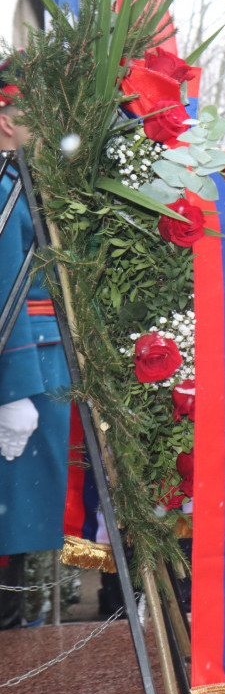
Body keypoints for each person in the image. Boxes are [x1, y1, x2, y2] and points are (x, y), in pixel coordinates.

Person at [0, 77, 71, 629]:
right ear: (5, 120)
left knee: (26, 524)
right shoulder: (4, 189)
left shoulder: (18, 181)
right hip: (28, 363)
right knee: (17, 523)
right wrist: (15, 388)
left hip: (42, 359)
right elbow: (7, 293)